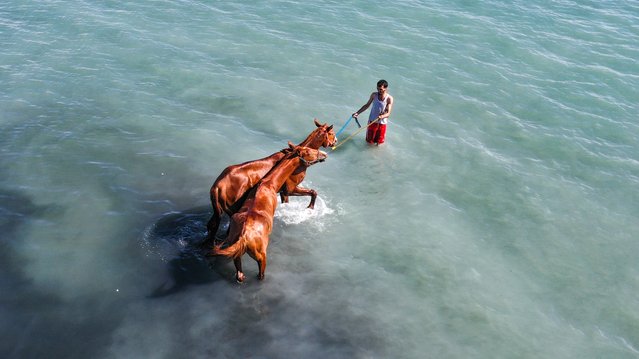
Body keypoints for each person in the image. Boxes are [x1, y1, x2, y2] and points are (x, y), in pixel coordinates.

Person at [352, 79, 394, 145]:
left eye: (381, 89)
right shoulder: (374, 95)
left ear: (386, 88)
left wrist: (382, 116)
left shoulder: (389, 98)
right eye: (378, 89)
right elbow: (366, 105)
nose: (379, 91)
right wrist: (357, 113)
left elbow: (388, 114)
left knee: (379, 143)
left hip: (382, 124)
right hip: (372, 122)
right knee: (369, 142)